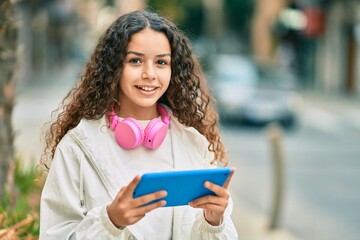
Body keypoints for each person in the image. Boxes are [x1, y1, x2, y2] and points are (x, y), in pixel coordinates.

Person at [39, 10, 238, 240]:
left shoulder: (194, 142)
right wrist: (110, 222)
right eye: (135, 61)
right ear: (114, 68)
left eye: (161, 62)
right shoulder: (78, 146)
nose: (150, 74)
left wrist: (214, 222)